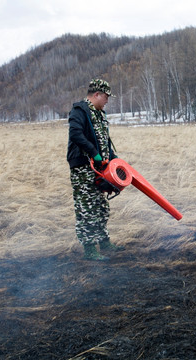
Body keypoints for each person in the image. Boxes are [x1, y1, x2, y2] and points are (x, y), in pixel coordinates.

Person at [67, 79, 124, 261]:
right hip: (83, 168)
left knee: (100, 207)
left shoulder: (100, 114)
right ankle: (90, 250)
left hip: (100, 169)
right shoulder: (79, 111)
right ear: (97, 94)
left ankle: (104, 242)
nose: (107, 100)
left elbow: (104, 140)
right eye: (106, 96)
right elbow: (76, 134)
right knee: (87, 208)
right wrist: (93, 153)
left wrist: (114, 159)